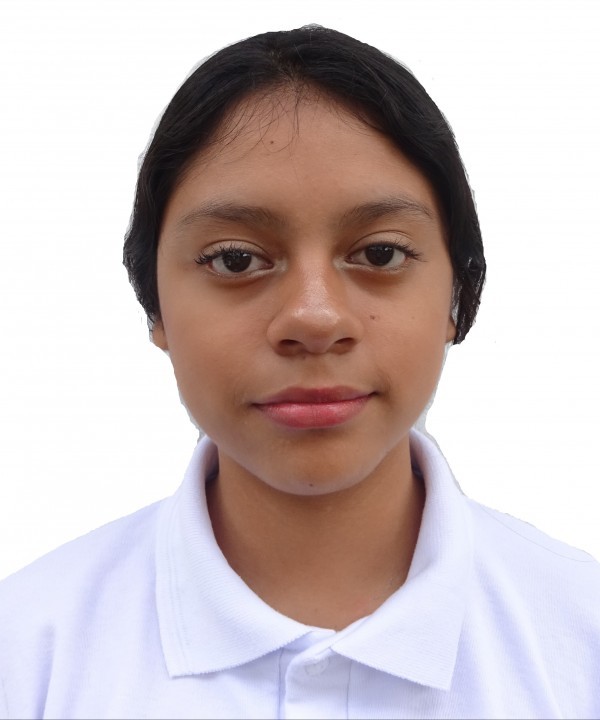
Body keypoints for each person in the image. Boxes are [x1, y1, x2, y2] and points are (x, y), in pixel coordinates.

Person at [1, 24, 598, 720]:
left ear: (456, 296)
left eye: (379, 254)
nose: (314, 318)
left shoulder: (580, 641)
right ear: (154, 306)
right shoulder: (26, 654)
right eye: (235, 259)